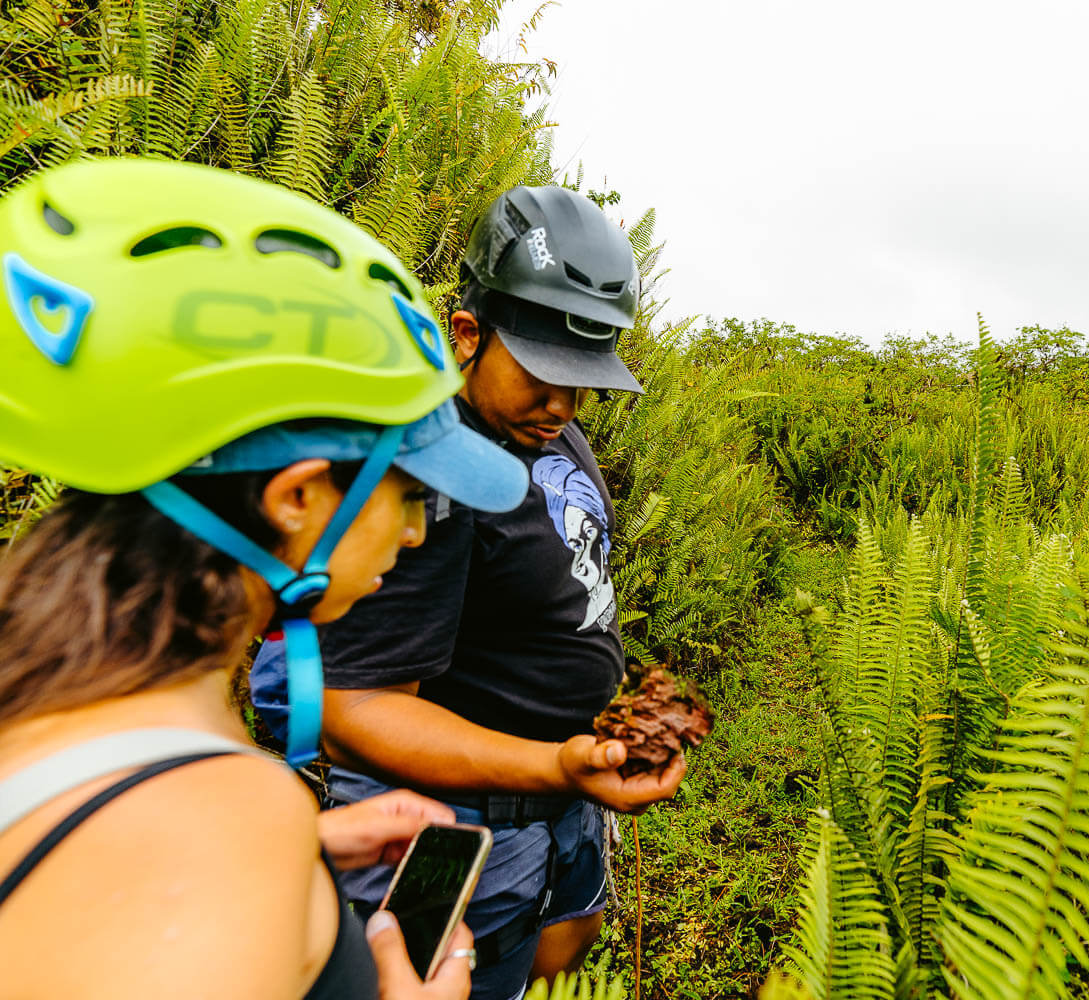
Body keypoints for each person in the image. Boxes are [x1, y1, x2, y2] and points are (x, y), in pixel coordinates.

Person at [0, 158, 535, 999]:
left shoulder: (49, 681)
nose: (415, 528)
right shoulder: (219, 824)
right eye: (406, 490)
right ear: (298, 497)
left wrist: (306, 852)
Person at [250, 185, 685, 1000]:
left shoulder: (548, 429)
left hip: (562, 796)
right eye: (542, 374)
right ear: (467, 336)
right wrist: (555, 765)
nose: (564, 404)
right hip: (451, 831)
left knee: (553, 955)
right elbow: (353, 711)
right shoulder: (427, 482)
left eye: (584, 378)